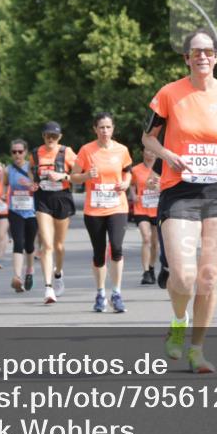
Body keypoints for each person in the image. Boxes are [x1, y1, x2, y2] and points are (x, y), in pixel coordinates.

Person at [142, 29, 217, 373]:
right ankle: (179, 321)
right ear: (187, 58)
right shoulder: (169, 94)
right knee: (182, 274)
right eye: (196, 52)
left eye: (208, 51)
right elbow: (147, 138)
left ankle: (197, 348)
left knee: (208, 276)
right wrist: (167, 155)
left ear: (216, 57)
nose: (202, 56)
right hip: (180, 191)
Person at [70, 112, 133, 313]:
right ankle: (100, 293)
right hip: (94, 209)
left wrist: (126, 183)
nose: (105, 131)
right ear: (95, 129)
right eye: (101, 127)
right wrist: (87, 175)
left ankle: (116, 292)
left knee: (116, 248)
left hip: (117, 206)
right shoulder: (87, 150)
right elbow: (73, 177)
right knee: (99, 254)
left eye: (108, 127)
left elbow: (128, 171)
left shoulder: (122, 150)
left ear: (113, 129)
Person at [32, 121, 77, 304]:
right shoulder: (36, 153)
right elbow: (32, 171)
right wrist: (33, 182)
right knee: (47, 245)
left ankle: (58, 273)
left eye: (54, 136)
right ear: (43, 136)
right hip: (43, 198)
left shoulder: (67, 152)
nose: (51, 139)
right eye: (48, 135)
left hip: (62, 198)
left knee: (58, 245)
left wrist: (63, 176)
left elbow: (78, 175)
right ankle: (48, 288)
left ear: (60, 137)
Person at [3, 140, 38, 296]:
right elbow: (5, 185)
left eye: (20, 151)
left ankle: (29, 271)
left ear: (25, 152)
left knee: (29, 245)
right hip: (15, 211)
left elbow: (38, 187)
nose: (17, 154)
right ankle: (17, 277)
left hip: (31, 212)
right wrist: (6, 195)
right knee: (18, 242)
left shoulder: (31, 168)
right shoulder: (8, 169)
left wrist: (31, 186)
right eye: (14, 152)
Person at [130, 148, 160, 285]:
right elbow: (131, 184)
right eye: (148, 151)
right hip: (141, 208)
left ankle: (152, 267)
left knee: (155, 243)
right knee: (146, 238)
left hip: (157, 209)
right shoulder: (136, 170)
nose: (151, 153)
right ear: (143, 153)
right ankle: (146, 271)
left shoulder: (161, 169)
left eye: (153, 151)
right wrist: (133, 194)